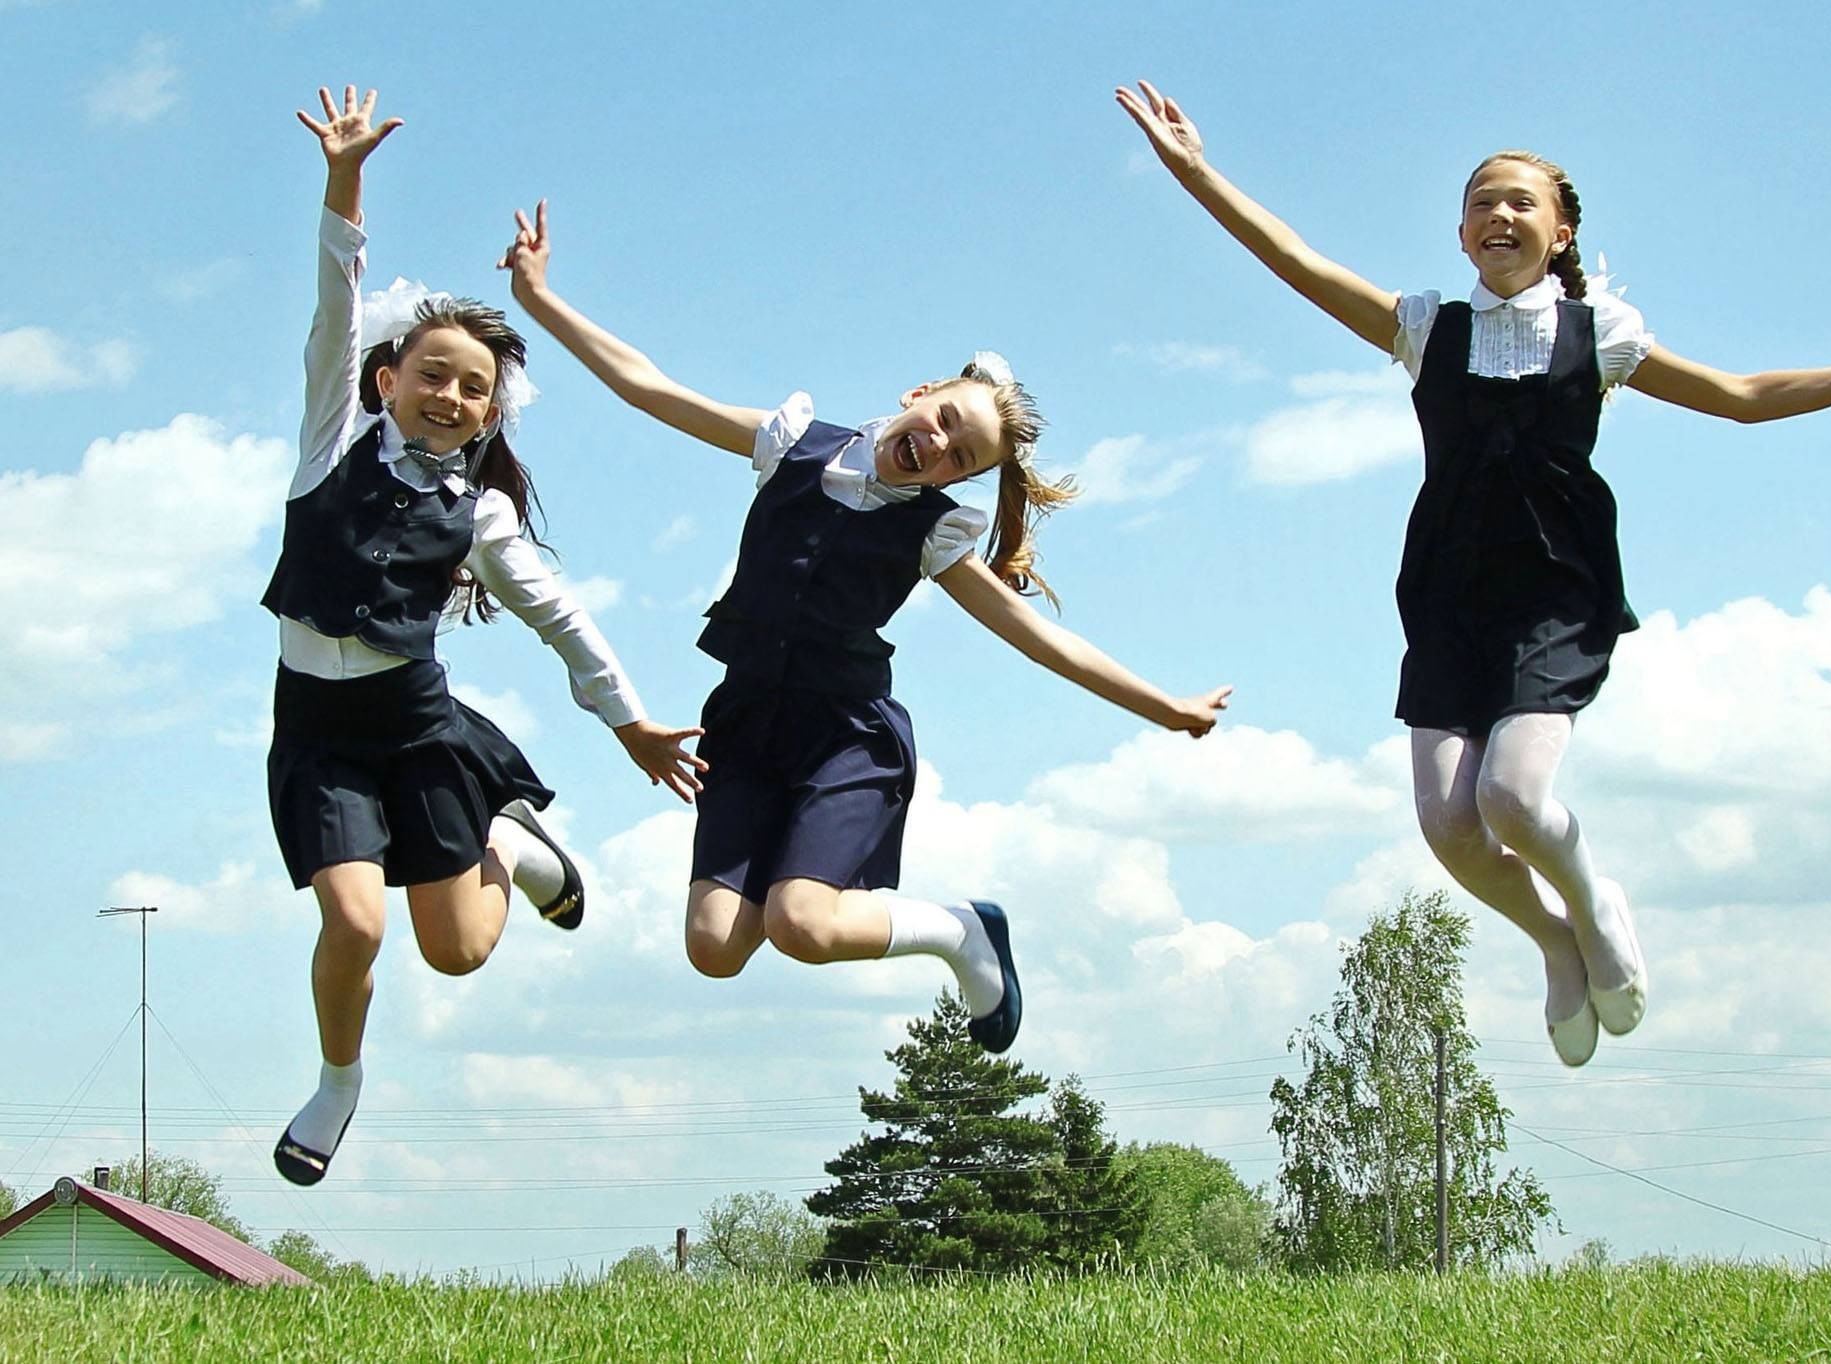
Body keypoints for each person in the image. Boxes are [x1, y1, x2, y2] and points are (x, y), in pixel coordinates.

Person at [1118, 79, 1831, 1065]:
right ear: (1460, 233)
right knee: (1450, 825)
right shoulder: (1426, 327)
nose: (1500, 213)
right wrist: (1198, 174)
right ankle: (1554, 941)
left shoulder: (1600, 334)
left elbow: (1741, 395)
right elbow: (1297, 262)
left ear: (1560, 230)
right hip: (1447, 591)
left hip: (1554, 588)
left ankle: (1594, 901)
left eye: (1520, 200)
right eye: (1481, 201)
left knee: (1514, 798)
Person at [500, 199, 1231, 1053]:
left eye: (962, 457)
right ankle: (862, 898)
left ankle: (961, 930)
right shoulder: (793, 444)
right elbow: (650, 387)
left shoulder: (932, 533)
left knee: (802, 924)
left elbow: (1037, 639)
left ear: (957, 480)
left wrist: (1163, 707)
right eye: (945, 420)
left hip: (845, 740)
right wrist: (539, 298)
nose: (940, 446)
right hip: (745, 726)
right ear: (919, 394)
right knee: (714, 949)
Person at [269, 87, 704, 1184]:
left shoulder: (482, 516)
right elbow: (335, 299)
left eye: (475, 389)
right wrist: (344, 177)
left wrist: (633, 725)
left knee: (459, 951)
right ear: (385, 381)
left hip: (416, 731)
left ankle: (508, 845)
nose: (452, 395)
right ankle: (338, 1080)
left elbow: (562, 617)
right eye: (433, 375)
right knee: (355, 924)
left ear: (490, 413)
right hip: (318, 735)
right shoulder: (328, 440)